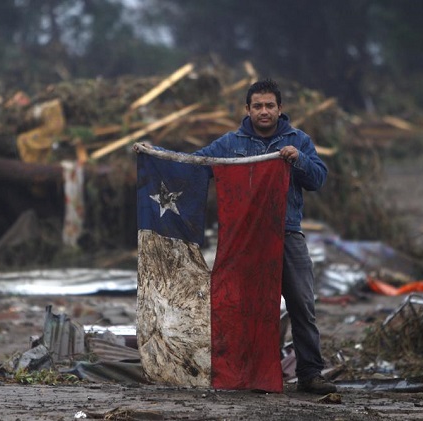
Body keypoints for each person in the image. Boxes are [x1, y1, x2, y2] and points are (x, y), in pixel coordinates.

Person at [134, 78, 336, 394]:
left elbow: (318, 179)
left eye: (270, 105)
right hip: (244, 240)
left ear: (280, 109)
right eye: (258, 106)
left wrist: (299, 159)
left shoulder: (298, 140)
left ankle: (310, 373)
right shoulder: (231, 143)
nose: (264, 111)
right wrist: (154, 155)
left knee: (301, 305)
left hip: (286, 234)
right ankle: (245, 372)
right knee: (241, 306)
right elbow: (195, 165)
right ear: (248, 109)